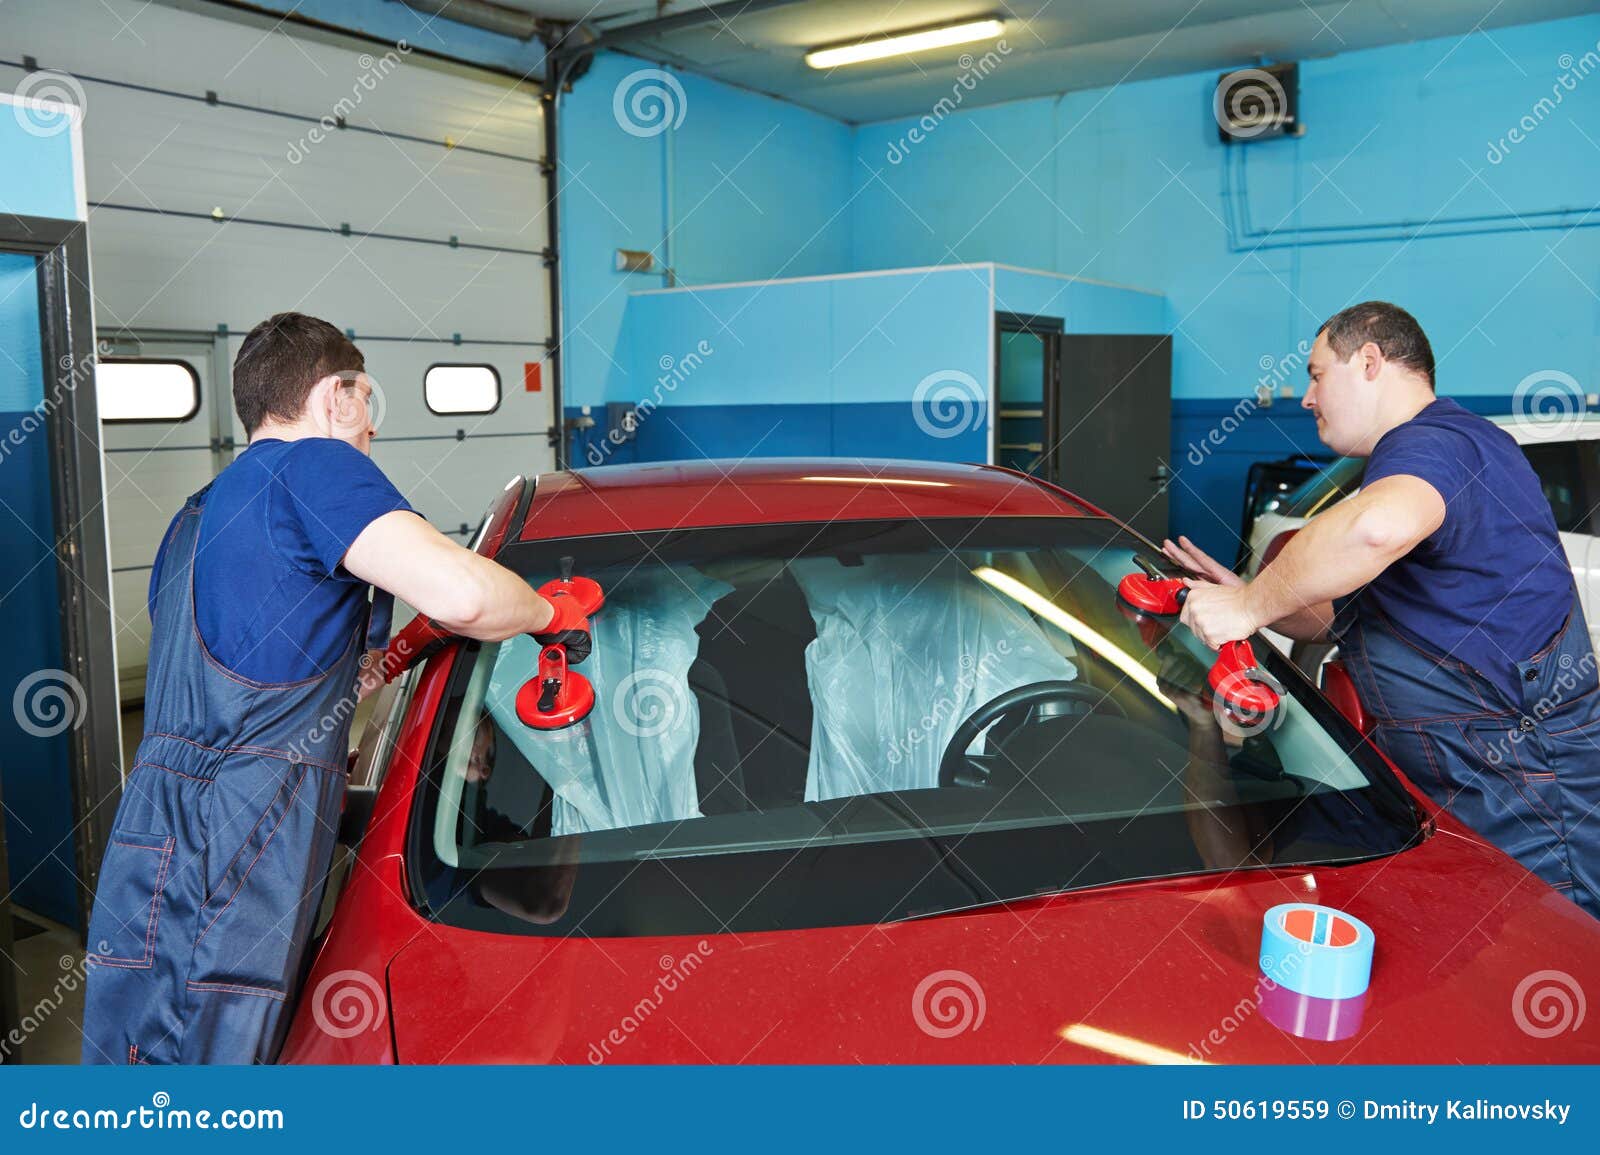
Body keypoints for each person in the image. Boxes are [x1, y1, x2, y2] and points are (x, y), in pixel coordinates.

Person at [81, 312, 593, 1063]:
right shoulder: (314, 468)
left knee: (137, 1071)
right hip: (234, 845)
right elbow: (465, 594)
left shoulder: (198, 515)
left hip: (153, 840)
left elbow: (261, 671)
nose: (371, 432)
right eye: (366, 404)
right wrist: (553, 611)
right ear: (334, 397)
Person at [1169, 301, 1600, 918]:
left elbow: (1375, 529)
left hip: (1526, 797)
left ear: (1369, 360)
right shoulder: (1413, 462)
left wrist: (1248, 602)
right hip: (1458, 787)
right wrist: (1260, 606)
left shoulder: (1437, 443)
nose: (1308, 398)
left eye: (1317, 375)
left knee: (1557, 963)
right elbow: (1331, 615)